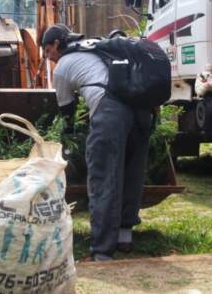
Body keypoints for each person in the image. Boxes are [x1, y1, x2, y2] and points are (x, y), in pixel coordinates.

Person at [41, 24, 152, 262]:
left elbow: (66, 110)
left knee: (104, 178)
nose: (47, 57)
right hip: (143, 112)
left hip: (111, 113)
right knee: (132, 173)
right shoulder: (97, 50)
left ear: (57, 45)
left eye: (48, 50)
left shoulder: (63, 66)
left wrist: (69, 134)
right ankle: (125, 237)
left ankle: (102, 251)